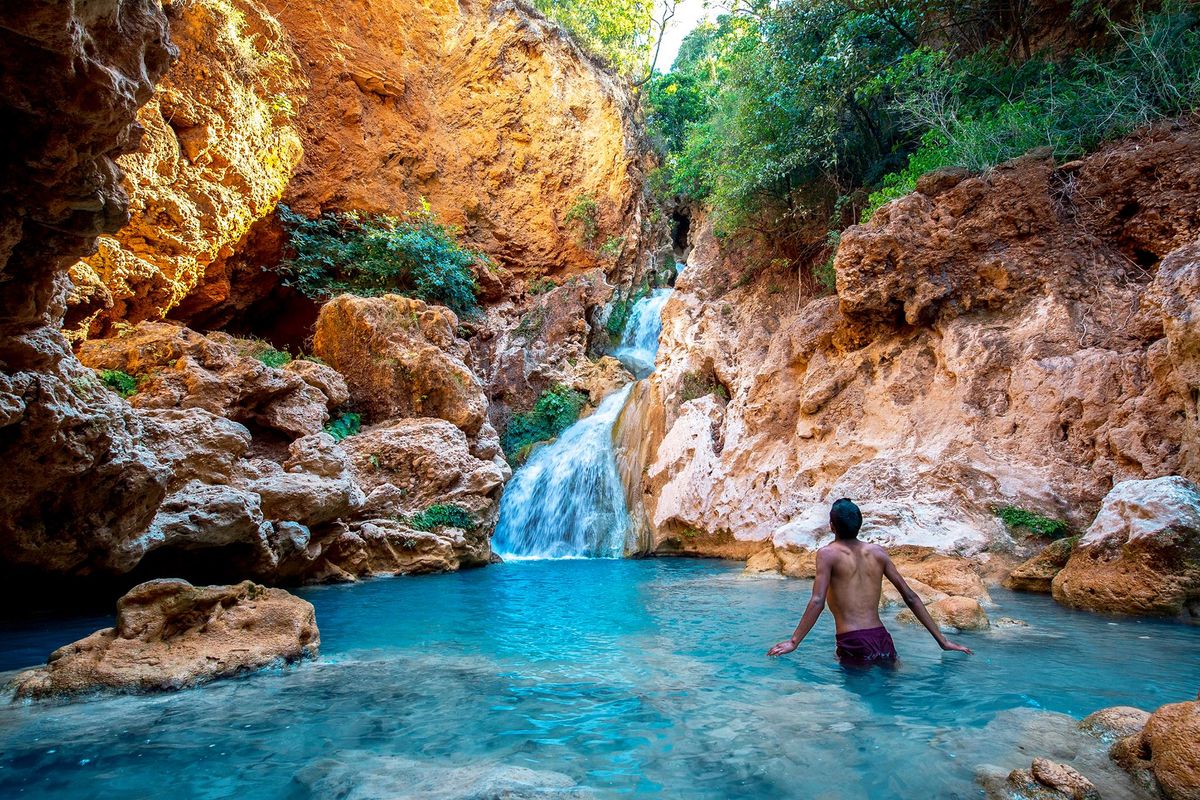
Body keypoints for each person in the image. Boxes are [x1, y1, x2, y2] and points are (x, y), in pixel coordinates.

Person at [767, 498, 973, 664]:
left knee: (859, 711)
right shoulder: (877, 553)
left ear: (832, 526)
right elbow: (910, 597)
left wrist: (794, 642)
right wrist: (942, 641)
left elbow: (817, 601)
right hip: (883, 639)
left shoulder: (827, 554)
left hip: (853, 641)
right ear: (860, 524)